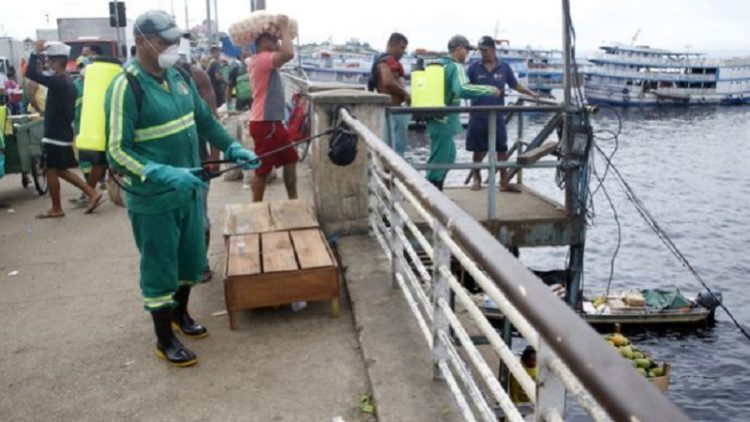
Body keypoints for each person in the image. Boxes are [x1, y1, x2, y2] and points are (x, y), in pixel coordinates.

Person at [105, 10, 260, 367]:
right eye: (165, 41)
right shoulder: (126, 86)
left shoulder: (178, 77)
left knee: (191, 258)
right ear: (141, 41)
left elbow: (205, 120)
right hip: (155, 198)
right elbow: (116, 151)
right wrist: (160, 172)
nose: (172, 47)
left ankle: (181, 314)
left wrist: (232, 147)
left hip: (190, 190)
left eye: (175, 40)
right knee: (160, 267)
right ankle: (164, 339)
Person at [25, 40, 104, 218]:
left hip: (54, 134)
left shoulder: (59, 81)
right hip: (62, 132)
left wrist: (35, 53)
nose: (48, 64)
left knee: (52, 170)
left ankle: (64, 205)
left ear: (56, 62)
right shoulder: (68, 82)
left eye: (49, 61)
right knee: (58, 170)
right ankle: (87, 195)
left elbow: (31, 73)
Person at [426, 35, 500, 190]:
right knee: (440, 161)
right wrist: (489, 89)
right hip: (444, 121)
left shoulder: (438, 64)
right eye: (466, 50)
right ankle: (431, 194)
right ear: (459, 49)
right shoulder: (455, 66)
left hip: (435, 118)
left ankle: (436, 190)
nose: (467, 54)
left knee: (448, 156)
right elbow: (462, 89)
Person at [467, 36, 540, 192]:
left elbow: (515, 85)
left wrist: (531, 93)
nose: (483, 53)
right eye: (480, 51)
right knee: (478, 150)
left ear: (493, 49)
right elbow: (464, 88)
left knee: (501, 148)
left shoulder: (504, 67)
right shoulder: (473, 68)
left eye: (485, 50)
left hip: (498, 115)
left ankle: (504, 181)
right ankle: (476, 178)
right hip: (478, 115)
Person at [178, 42, 222, 283]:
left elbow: (211, 119)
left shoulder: (196, 76)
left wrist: (215, 156)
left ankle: (201, 264)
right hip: (164, 163)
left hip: (197, 159)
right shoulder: (142, 80)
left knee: (199, 215)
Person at [249, 16, 297, 202]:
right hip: (265, 122)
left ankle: (293, 199)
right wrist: (284, 27)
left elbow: (284, 53)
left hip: (271, 122)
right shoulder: (263, 59)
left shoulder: (263, 60)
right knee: (262, 169)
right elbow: (288, 53)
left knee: (290, 159)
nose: (276, 43)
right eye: (272, 40)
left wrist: (281, 36)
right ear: (261, 43)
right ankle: (256, 205)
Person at [370, 32, 410, 156]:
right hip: (389, 110)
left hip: (397, 110)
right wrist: (405, 93)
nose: (403, 52)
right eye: (402, 48)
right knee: (388, 148)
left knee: (398, 148)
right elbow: (388, 81)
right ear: (392, 45)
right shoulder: (384, 62)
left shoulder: (393, 63)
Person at [226, 46, 253, 111]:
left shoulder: (256, 68)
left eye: (248, 57)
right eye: (244, 57)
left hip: (254, 102)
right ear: (240, 57)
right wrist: (230, 104)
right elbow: (230, 88)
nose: (246, 60)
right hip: (241, 103)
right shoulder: (235, 70)